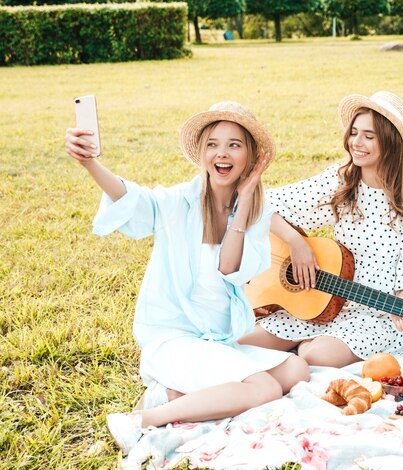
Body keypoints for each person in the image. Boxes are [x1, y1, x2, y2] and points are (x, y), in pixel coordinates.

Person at [65, 101, 310, 455]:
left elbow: (230, 269)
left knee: (296, 369)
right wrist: (90, 163)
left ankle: (171, 393)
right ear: (202, 153)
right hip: (172, 340)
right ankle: (143, 420)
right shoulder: (179, 202)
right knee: (266, 388)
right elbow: (131, 198)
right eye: (212, 144)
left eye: (234, 145)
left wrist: (242, 204)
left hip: (216, 341)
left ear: (251, 157)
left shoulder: (255, 212)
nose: (221, 154)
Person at [238, 91, 403, 368]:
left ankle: (308, 346)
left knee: (316, 355)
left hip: (374, 315)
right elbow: (264, 204)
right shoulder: (342, 182)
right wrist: (295, 242)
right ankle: (304, 341)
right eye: (354, 132)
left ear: (390, 143)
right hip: (320, 302)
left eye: (369, 136)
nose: (356, 143)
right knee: (241, 340)